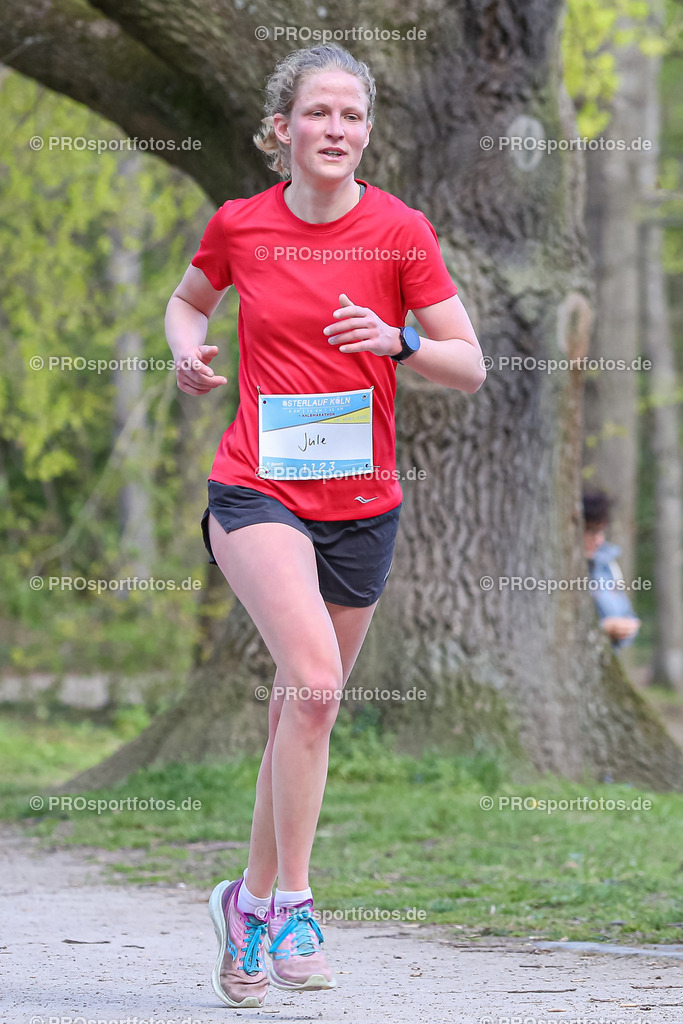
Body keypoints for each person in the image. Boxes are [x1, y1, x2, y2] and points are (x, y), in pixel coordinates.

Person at [164, 44, 485, 1009]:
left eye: (350, 115)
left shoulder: (399, 231)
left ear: (366, 133)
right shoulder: (241, 224)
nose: (334, 129)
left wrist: (398, 340)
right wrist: (186, 353)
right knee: (311, 683)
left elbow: (468, 365)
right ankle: (296, 905)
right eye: (317, 113)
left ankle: (245, 904)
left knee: (301, 709)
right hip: (257, 488)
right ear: (282, 129)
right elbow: (187, 302)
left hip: (361, 505)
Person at [582, 488, 641, 649]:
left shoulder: (608, 566)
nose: (599, 540)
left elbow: (627, 615)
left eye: (601, 531)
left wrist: (626, 630)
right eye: (591, 531)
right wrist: (601, 630)